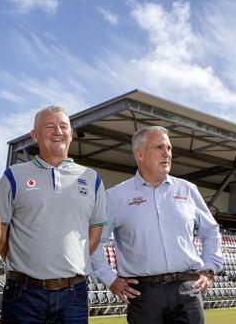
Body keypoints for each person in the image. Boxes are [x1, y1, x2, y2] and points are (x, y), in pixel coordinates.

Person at [91, 126, 223, 324]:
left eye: (169, 148)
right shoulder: (115, 196)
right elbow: (94, 243)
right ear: (140, 154)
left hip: (187, 290)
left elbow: (211, 231)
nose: (167, 154)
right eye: (159, 147)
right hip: (144, 295)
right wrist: (110, 280)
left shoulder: (187, 189)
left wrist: (210, 270)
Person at [0, 105, 108, 324]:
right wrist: (28, 265)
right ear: (34, 135)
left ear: (71, 134)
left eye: (63, 126)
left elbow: (94, 235)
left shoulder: (92, 178)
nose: (58, 131)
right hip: (23, 294)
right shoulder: (13, 176)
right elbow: (0, 235)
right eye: (49, 126)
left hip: (73, 294)